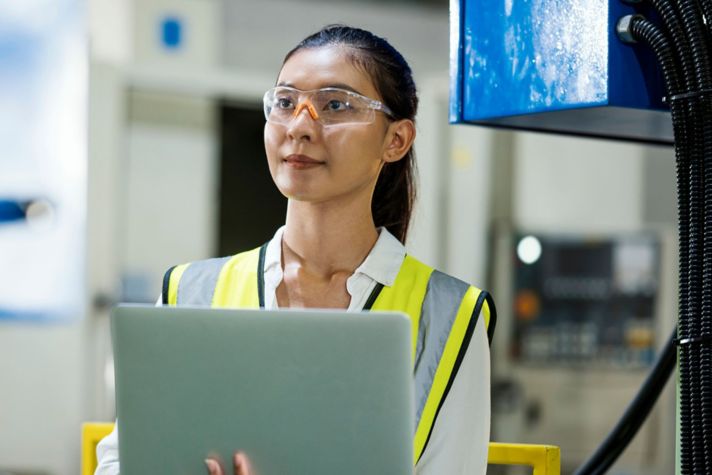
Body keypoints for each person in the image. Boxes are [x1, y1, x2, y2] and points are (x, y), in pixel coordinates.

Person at [95, 24, 495, 475]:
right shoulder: (190, 290)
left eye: (335, 105)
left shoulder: (451, 315)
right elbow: (122, 462)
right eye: (285, 103)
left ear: (396, 140)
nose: (301, 126)